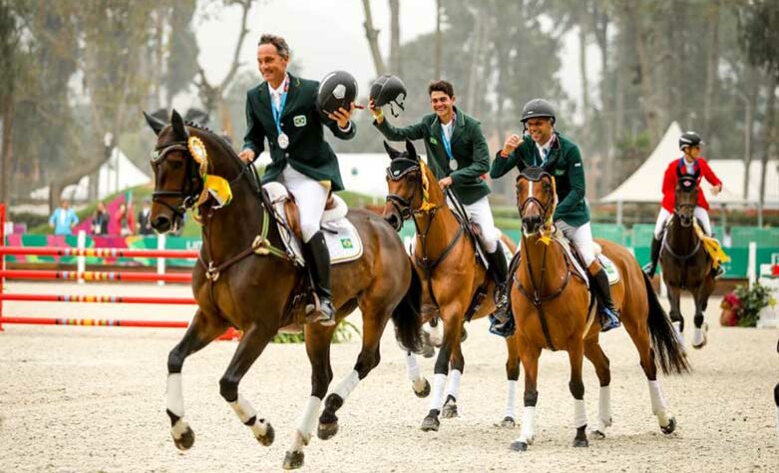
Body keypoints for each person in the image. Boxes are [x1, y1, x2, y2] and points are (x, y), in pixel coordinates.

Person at [238, 34, 358, 326]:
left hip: (313, 174)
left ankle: (324, 298)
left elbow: (340, 128)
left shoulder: (311, 91)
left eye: (269, 60)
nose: (264, 66)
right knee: (257, 219)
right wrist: (248, 152)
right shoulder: (255, 97)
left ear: (284, 59)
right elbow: (254, 137)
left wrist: (344, 123)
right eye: (260, 61)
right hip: (278, 172)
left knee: (306, 224)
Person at [489, 98, 621, 337]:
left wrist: (552, 216)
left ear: (551, 123)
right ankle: (507, 312)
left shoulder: (569, 150)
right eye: (529, 125)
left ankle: (608, 310)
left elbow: (578, 191)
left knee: (589, 258)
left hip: (571, 218)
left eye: (538, 123)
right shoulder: (523, 147)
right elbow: (496, 172)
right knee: (516, 261)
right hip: (535, 221)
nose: (533, 129)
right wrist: (505, 151)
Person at [369, 79, 508, 303]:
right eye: (434, 100)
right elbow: (396, 134)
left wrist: (452, 178)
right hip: (441, 198)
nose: (439, 104)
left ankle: (504, 289)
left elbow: (483, 164)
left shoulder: (471, 126)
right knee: (419, 242)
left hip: (471, 196)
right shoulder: (428, 124)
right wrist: (378, 116)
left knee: (490, 238)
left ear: (452, 100)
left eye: (443, 99)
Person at [643, 131, 724, 278]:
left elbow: (715, 180)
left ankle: (715, 265)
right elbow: (665, 189)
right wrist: (681, 203)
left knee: (708, 230)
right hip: (674, 205)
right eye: (696, 148)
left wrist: (717, 187)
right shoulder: (673, 166)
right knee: (658, 230)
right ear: (686, 149)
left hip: (696, 204)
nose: (699, 150)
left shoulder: (702, 164)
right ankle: (652, 265)